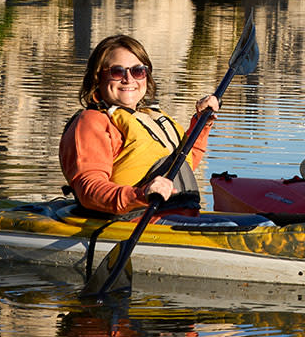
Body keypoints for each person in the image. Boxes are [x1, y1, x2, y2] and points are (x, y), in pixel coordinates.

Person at [59, 34, 219, 215]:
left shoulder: (147, 117)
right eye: (117, 72)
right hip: (131, 222)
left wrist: (202, 122)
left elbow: (181, 164)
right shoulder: (91, 122)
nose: (129, 79)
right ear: (98, 78)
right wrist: (141, 195)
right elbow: (89, 190)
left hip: (177, 218)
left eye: (138, 71)